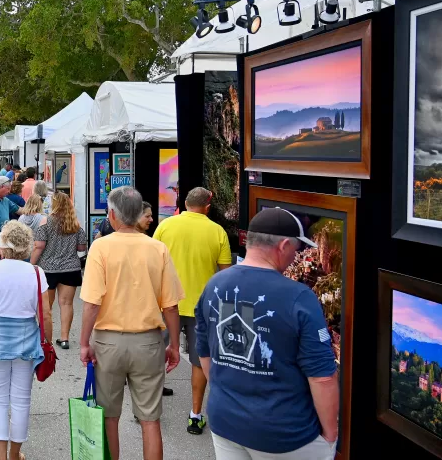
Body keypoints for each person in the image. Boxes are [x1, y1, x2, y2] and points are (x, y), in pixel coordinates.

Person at [195, 208, 338, 459]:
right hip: (285, 434)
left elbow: (205, 354)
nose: (296, 256)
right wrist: (330, 433)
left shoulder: (214, 284)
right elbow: (322, 378)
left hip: (225, 420)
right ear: (283, 246)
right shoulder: (299, 296)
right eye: (296, 249)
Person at [79, 186, 184, 460]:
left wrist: (83, 343)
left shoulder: (100, 247)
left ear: (112, 214)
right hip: (148, 341)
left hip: (108, 341)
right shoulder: (157, 248)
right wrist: (173, 344)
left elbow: (92, 304)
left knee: (109, 416)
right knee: (150, 419)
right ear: (139, 213)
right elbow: (171, 305)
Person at [152, 187, 232, 435]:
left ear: (184, 203)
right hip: (204, 308)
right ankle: (195, 415)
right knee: (200, 362)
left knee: (155, 354)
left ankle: (147, 410)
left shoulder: (166, 226)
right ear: (207, 207)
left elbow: (152, 262)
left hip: (166, 304)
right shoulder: (218, 231)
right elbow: (226, 275)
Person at [0, 221, 52, 460]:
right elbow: (45, 314)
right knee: (21, 400)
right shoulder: (36, 273)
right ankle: (15, 454)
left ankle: (1, 457)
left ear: (4, 247)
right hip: (27, 344)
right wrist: (47, 342)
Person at [30, 193, 86, 349]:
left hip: (48, 269)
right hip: (70, 268)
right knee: (66, 304)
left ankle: (44, 337)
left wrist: (30, 265)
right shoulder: (74, 224)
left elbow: (38, 246)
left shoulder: (45, 221)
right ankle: (64, 338)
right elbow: (81, 248)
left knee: (46, 305)